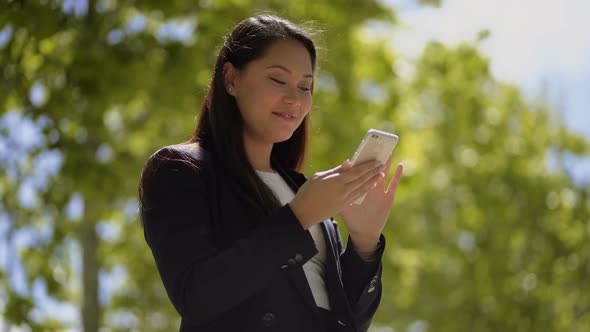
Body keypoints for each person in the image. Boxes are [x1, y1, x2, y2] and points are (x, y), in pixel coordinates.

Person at [139, 14, 403, 332]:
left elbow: (350, 321)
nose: (294, 98)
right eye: (278, 80)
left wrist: (364, 242)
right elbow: (196, 296)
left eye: (306, 86)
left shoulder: (301, 189)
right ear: (231, 79)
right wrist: (298, 217)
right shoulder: (180, 169)